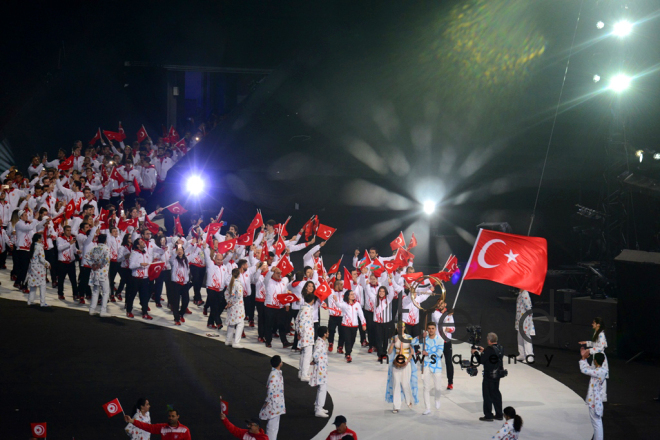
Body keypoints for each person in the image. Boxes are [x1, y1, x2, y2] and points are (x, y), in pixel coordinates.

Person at [385, 323, 419, 413]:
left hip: (406, 362)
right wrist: (392, 343)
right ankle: (396, 406)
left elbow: (412, 352)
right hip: (396, 362)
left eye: (402, 327)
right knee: (396, 383)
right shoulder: (394, 338)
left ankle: (409, 401)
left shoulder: (408, 338)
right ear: (397, 328)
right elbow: (389, 352)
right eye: (399, 327)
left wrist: (407, 361)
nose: (401, 328)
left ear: (404, 328)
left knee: (405, 383)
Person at [412, 321, 444, 415]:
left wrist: (428, 354)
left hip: (436, 366)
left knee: (438, 387)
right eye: (429, 328)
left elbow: (439, 353)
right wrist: (421, 336)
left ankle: (437, 399)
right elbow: (413, 342)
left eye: (432, 328)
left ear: (435, 329)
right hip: (425, 365)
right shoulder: (424, 338)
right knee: (426, 387)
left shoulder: (440, 340)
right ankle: (427, 408)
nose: (431, 330)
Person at [472, 332, 504, 422]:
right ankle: (499, 414)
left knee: (487, 395)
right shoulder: (500, 348)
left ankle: (488, 415)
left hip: (489, 375)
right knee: (496, 393)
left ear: (489, 340)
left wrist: (476, 353)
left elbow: (481, 360)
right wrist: (484, 351)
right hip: (497, 375)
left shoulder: (489, 349)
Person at [579, 317, 609, 402]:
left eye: (593, 323)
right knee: (595, 375)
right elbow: (596, 344)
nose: (592, 324)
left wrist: (589, 350)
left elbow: (600, 347)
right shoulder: (597, 332)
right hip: (596, 356)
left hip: (600, 357)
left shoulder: (601, 334)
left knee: (602, 376)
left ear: (598, 324)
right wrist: (586, 343)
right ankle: (596, 393)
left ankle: (603, 395)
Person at [579, 350, 607, 440]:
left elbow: (584, 370)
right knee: (597, 422)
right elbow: (589, 369)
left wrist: (583, 358)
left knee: (596, 423)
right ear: (603, 361)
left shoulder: (598, 372)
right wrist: (584, 360)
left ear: (595, 361)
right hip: (596, 400)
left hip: (594, 400)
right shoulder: (601, 370)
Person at [259, 355, 285, 440]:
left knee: (275, 423)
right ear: (279, 363)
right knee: (272, 425)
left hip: (277, 402)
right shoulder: (274, 375)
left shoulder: (277, 373)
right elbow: (270, 388)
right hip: (274, 402)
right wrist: (267, 401)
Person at [124, 407, 191, 440]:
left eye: (173, 416)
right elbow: (148, 427)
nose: (170, 418)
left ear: (178, 417)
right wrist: (132, 421)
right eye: (169, 416)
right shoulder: (162, 427)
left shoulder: (184, 430)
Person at [338, 290, 367, 363]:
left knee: (352, 340)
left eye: (353, 294)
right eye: (351, 294)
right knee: (347, 339)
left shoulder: (357, 304)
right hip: (346, 325)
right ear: (347, 295)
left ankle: (349, 351)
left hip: (355, 325)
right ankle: (348, 354)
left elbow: (361, 314)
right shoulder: (344, 304)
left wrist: (363, 324)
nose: (353, 295)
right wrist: (335, 300)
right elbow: (339, 305)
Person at [433, 300, 455, 389]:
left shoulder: (449, 314)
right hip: (438, 342)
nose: (440, 305)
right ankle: (436, 382)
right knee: (437, 362)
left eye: (442, 303)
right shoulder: (435, 313)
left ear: (445, 304)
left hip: (447, 342)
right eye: (438, 303)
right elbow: (440, 321)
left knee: (448, 362)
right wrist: (447, 314)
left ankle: (450, 382)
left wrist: (449, 330)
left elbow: (453, 328)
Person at [88, 234, 111, 317]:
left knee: (95, 291)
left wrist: (92, 265)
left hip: (94, 273)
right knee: (105, 292)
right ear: (105, 240)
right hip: (103, 272)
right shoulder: (106, 249)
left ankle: (92, 309)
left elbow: (86, 256)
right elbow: (107, 259)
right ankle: (103, 311)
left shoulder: (94, 248)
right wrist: (100, 265)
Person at [26, 232, 50, 307]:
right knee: (42, 284)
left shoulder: (33, 246)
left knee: (33, 284)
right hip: (39, 269)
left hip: (33, 267)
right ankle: (42, 302)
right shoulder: (40, 247)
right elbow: (42, 259)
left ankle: (30, 300)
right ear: (39, 239)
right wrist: (48, 264)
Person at [310, 325, 329, 417]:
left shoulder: (321, 342)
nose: (328, 333)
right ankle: (318, 409)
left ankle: (318, 407)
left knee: (321, 388)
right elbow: (316, 355)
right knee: (322, 388)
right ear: (324, 334)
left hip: (322, 368)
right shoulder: (320, 343)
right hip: (320, 369)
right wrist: (317, 361)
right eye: (327, 332)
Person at [296, 292, 315, 381]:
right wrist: (301, 332)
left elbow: (297, 321)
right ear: (312, 300)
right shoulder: (307, 310)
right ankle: (304, 374)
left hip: (304, 335)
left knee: (303, 355)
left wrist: (298, 332)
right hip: (307, 336)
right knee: (307, 355)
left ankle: (301, 373)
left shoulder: (302, 309)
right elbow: (302, 322)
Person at [226, 268, 245, 348]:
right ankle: (236, 342)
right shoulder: (238, 284)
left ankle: (228, 340)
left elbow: (226, 293)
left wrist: (228, 302)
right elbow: (238, 296)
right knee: (240, 323)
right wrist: (231, 303)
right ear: (239, 274)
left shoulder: (231, 283)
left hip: (232, 307)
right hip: (237, 306)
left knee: (231, 323)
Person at [515, 289, 534, 362]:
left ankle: (529, 356)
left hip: (525, 319)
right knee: (520, 336)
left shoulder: (525, 294)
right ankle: (522, 354)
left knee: (526, 337)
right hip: (520, 318)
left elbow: (528, 308)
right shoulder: (520, 294)